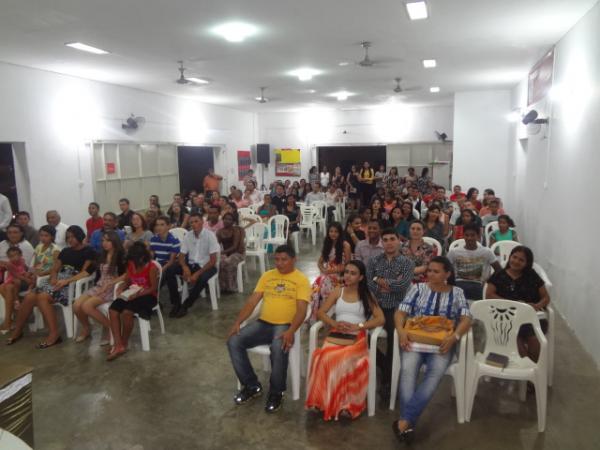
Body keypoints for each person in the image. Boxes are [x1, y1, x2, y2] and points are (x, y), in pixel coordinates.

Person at [393, 257, 472, 443]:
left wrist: (455, 337)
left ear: (447, 274)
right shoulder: (418, 288)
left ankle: (404, 422)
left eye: (436, 271)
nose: (430, 274)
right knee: (407, 372)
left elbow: (466, 318)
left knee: (434, 375)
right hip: (415, 339)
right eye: (429, 270)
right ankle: (406, 424)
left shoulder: (457, 292)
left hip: (442, 343)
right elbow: (401, 312)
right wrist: (401, 332)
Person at [227, 245, 310, 413]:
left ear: (294, 260)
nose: (279, 263)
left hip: (285, 326)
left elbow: (302, 310)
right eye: (277, 259)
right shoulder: (267, 276)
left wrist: (291, 331)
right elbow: (252, 302)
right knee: (234, 341)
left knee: (278, 348)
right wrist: (238, 322)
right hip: (263, 323)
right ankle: (251, 386)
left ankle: (276, 392)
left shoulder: (301, 280)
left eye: (284, 259)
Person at [305, 260, 385, 420]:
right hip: (337, 333)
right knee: (322, 356)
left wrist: (359, 326)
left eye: (353, 273)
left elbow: (380, 319)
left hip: (357, 336)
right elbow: (321, 312)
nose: (348, 276)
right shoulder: (338, 291)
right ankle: (319, 401)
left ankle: (347, 405)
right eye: (346, 272)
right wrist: (334, 323)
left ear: (361, 277)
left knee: (344, 359)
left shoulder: (366, 295)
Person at [7, 225, 96, 347]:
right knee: (30, 296)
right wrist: (54, 277)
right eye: (68, 237)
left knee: (42, 297)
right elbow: (55, 269)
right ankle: (18, 331)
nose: (70, 240)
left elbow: (85, 273)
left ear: (80, 236)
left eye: (73, 237)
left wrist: (67, 281)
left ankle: (54, 335)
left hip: (72, 284)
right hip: (57, 281)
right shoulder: (65, 251)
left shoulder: (89, 251)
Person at [366, 228, 415, 391]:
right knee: (358, 332)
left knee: (395, 339)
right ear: (382, 242)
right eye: (385, 239)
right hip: (375, 305)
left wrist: (380, 281)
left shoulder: (407, 262)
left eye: (392, 239)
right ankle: (385, 365)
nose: (388, 242)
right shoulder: (374, 261)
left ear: (398, 241)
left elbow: (403, 286)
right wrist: (385, 282)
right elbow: (369, 282)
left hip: (396, 306)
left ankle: (388, 381)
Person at [486, 246, 550, 361]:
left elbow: (546, 297)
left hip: (529, 318)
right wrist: (514, 304)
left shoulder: (531, 275)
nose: (516, 261)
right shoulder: (499, 275)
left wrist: (537, 305)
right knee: (514, 339)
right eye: (514, 257)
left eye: (521, 260)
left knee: (534, 341)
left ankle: (534, 374)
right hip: (505, 317)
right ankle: (526, 369)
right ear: (510, 257)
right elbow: (489, 295)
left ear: (527, 263)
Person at [107, 241, 159, 361]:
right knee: (113, 310)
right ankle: (118, 343)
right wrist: (122, 287)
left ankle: (123, 343)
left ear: (142, 258)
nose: (132, 263)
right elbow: (128, 281)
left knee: (127, 313)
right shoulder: (131, 264)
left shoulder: (151, 267)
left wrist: (137, 294)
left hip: (147, 295)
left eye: (135, 260)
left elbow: (153, 288)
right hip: (132, 293)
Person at [73, 231, 126, 344]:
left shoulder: (121, 255)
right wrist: (66, 281)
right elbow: (87, 272)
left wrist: (110, 284)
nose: (104, 243)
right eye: (103, 240)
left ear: (114, 241)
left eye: (108, 240)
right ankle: (87, 328)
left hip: (112, 288)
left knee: (86, 306)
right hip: (99, 286)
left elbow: (127, 274)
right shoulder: (101, 255)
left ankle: (111, 328)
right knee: (76, 306)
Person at [164, 213, 219, 318]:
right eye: (191, 222)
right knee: (170, 270)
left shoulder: (210, 236)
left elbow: (213, 261)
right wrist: (185, 268)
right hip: (191, 264)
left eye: (196, 221)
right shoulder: (188, 236)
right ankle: (176, 303)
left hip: (207, 266)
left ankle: (186, 305)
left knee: (202, 278)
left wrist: (197, 274)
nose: (194, 224)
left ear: (202, 222)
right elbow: (181, 256)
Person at [447, 223, 501, 300]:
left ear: (478, 236)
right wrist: (451, 282)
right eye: (467, 235)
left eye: (472, 235)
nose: (469, 238)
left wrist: (488, 281)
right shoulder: (454, 252)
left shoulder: (486, 252)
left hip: (479, 284)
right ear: (463, 235)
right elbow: (445, 269)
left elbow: (499, 270)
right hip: (459, 283)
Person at [311, 222, 351, 320]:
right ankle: (322, 315)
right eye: (331, 231)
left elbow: (348, 265)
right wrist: (323, 270)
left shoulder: (345, 245)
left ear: (340, 233)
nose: (333, 234)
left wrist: (331, 272)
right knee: (315, 288)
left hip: (340, 276)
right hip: (327, 275)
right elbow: (319, 262)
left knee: (325, 285)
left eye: (336, 232)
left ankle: (331, 315)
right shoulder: (327, 244)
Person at [0, 247, 33, 334]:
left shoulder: (22, 260)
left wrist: (27, 275)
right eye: (11, 256)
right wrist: (25, 278)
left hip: (22, 281)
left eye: (16, 255)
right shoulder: (9, 264)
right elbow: (15, 275)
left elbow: (24, 269)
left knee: (8, 287)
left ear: (20, 255)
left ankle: (10, 319)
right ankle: (16, 310)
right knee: (4, 287)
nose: (14, 258)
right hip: (14, 279)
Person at [217, 212, 245, 293]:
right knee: (220, 262)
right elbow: (217, 245)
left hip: (238, 253)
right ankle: (222, 287)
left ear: (233, 221)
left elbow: (235, 246)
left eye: (229, 219)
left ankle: (231, 287)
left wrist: (222, 253)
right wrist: (220, 253)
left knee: (228, 261)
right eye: (225, 219)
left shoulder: (236, 230)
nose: (227, 221)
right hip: (226, 253)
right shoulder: (219, 232)